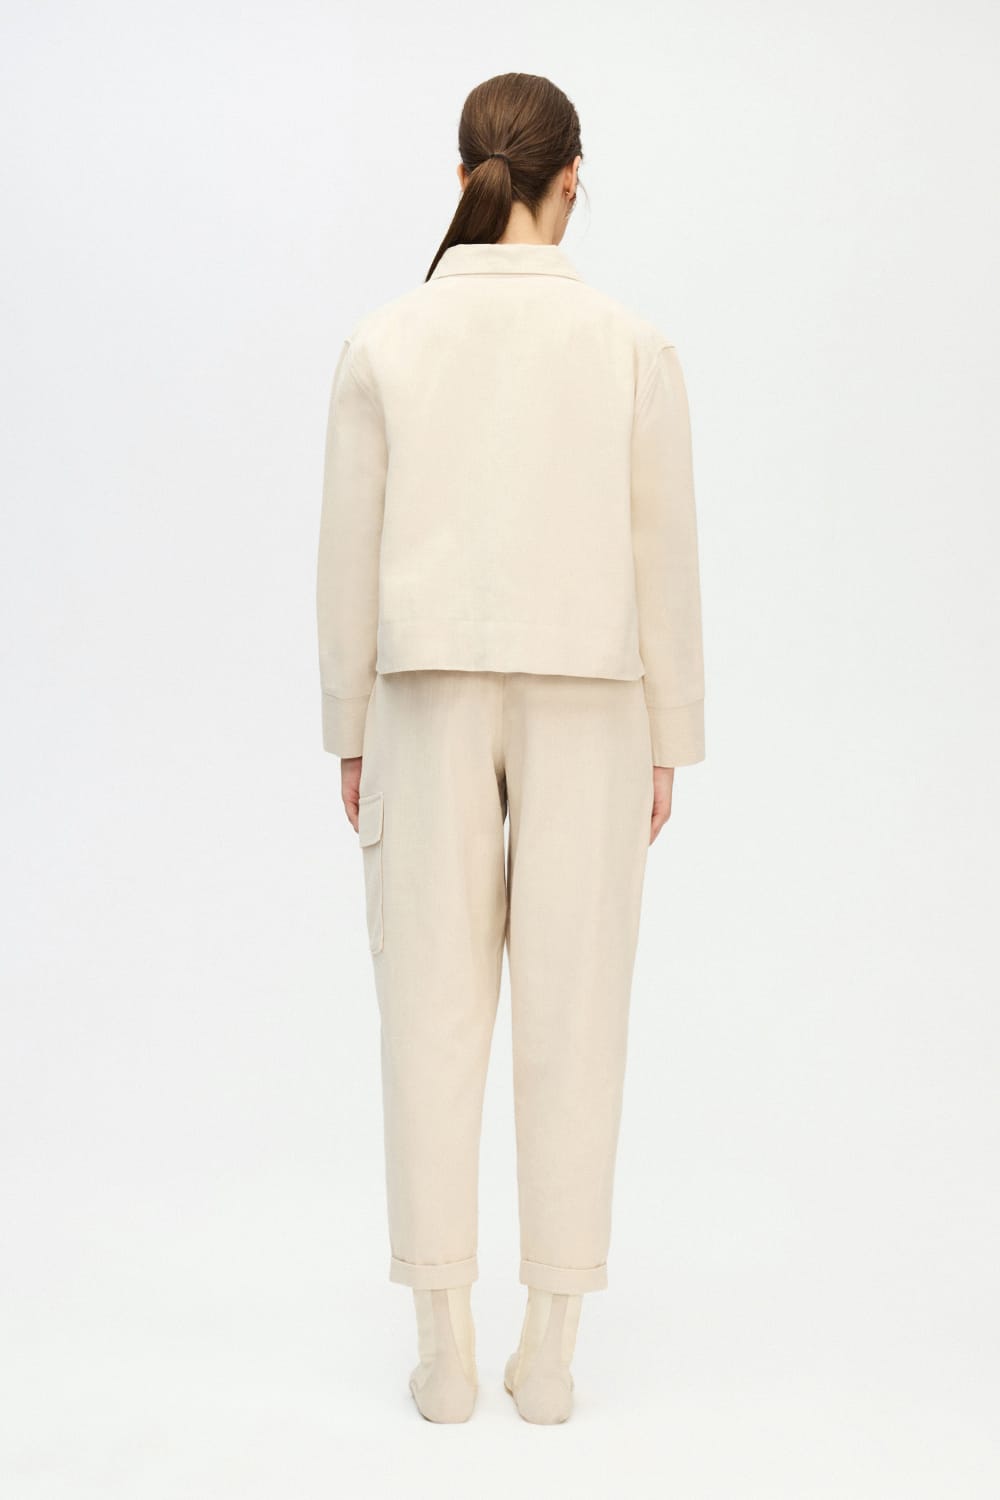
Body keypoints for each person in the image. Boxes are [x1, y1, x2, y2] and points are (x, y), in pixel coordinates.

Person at [315, 71, 705, 1425]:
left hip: (424, 699)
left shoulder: (386, 340)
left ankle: (443, 1347)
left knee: (427, 1014)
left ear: (465, 176)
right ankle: (550, 1348)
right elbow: (664, 556)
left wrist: (349, 730)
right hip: (593, 699)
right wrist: (671, 738)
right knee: (574, 1016)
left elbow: (347, 553)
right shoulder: (631, 347)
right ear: (572, 177)